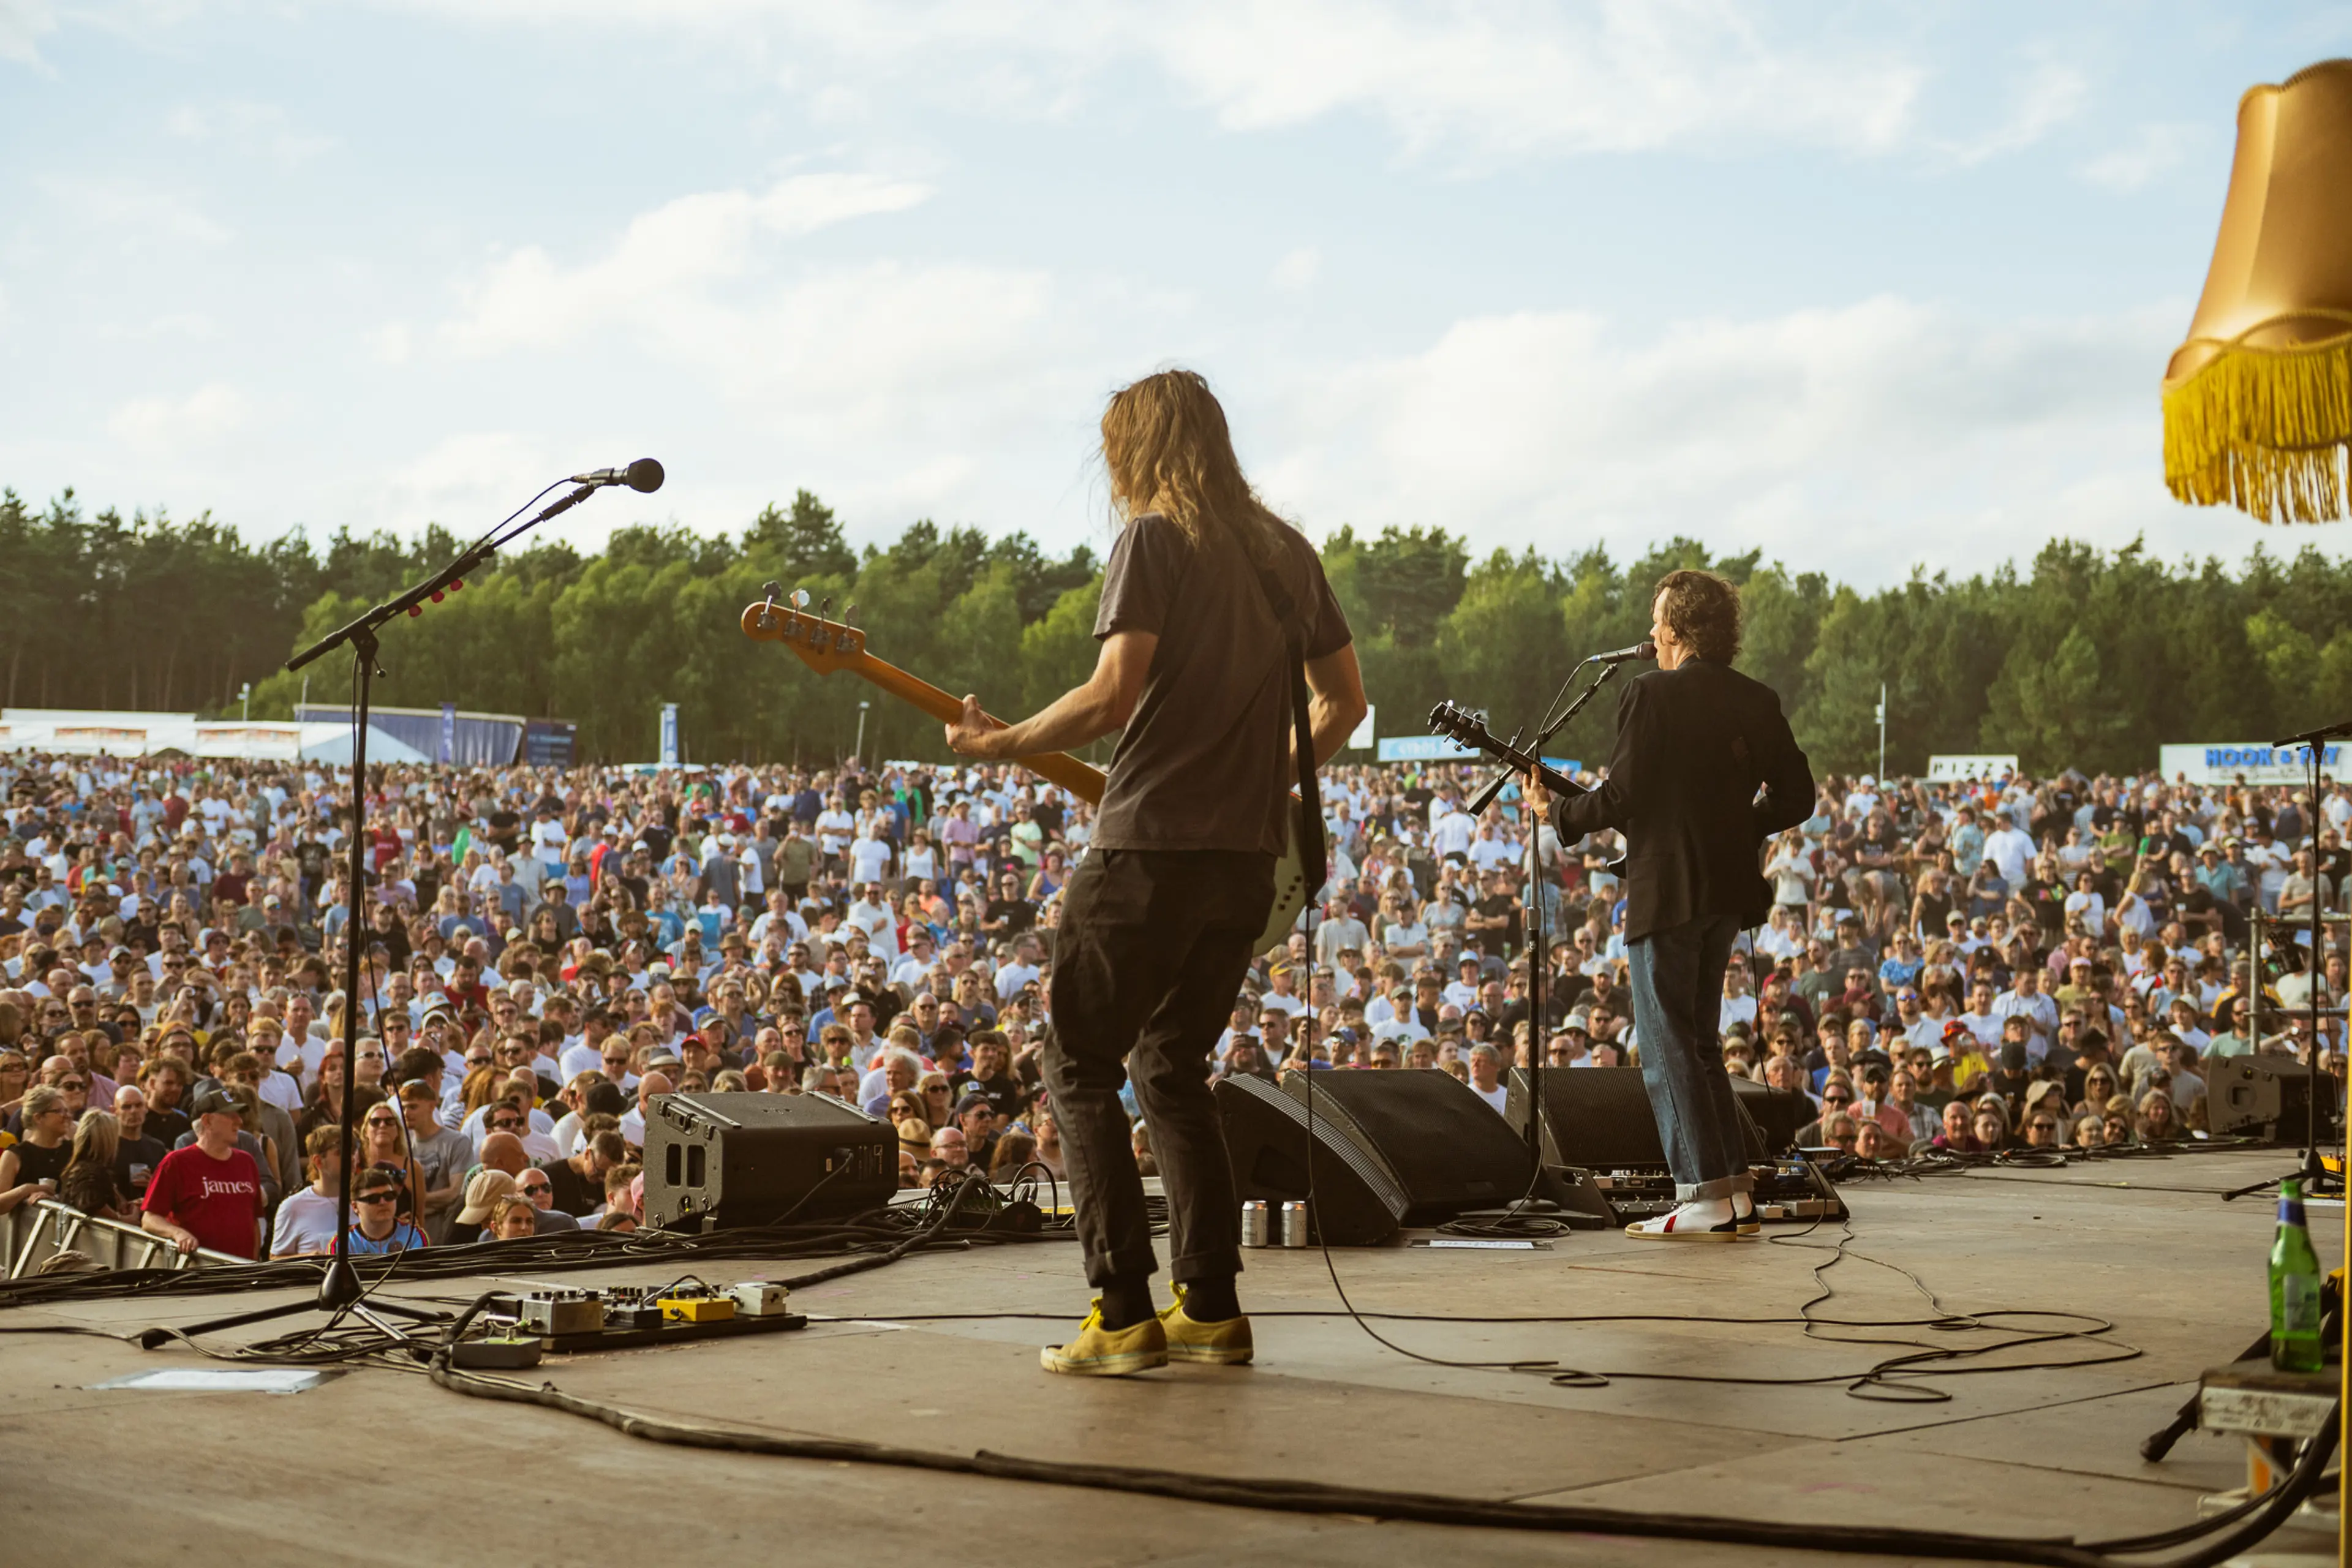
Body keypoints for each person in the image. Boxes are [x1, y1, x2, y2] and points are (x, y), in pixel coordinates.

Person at [946, 369, 1363, 1377]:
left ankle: (1122, 1311)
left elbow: (1112, 694)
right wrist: (1267, 778)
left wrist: (1001, 744)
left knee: (1078, 1064)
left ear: (1137, 448)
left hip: (1146, 852)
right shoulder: (1285, 552)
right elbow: (1345, 702)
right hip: (1245, 861)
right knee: (1172, 1065)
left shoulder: (1153, 539)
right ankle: (1209, 1309)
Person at [1527, 568, 1812, 1239]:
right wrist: (1738, 827)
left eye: (1658, 620)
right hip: (1726, 893)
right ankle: (1732, 1191)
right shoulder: (1757, 698)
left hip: (1667, 893)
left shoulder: (1650, 693)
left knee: (1665, 1045)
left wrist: (1556, 813)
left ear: (1679, 628)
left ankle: (1702, 1194)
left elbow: (1622, 797)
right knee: (1700, 1043)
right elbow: (1797, 796)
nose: (1650, 632)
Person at [140, 1085, 268, 1259]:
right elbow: (149, 1219)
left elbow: (253, 1222)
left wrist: (253, 1265)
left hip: (241, 1271)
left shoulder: (246, 1162)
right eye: (230, 1116)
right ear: (207, 1121)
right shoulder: (176, 1163)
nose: (239, 1121)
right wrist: (177, 1233)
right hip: (198, 1270)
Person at [271, 1126, 349, 1257]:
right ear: (318, 1161)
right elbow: (275, 1259)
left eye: (353, 1151)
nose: (351, 1158)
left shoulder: (369, 1199)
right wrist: (311, 1257)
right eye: (340, 1152)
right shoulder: (293, 1206)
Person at [0, 1085, 74, 1214]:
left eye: (67, 1111)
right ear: (38, 1118)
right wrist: (26, 1190)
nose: (67, 1116)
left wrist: (56, 1199)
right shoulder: (15, 1155)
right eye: (58, 1111)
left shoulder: (74, 1151)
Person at [345, 1164, 428, 1254]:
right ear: (355, 1207)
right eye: (373, 1199)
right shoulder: (343, 1243)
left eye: (389, 1196)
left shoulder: (414, 1235)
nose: (383, 1202)